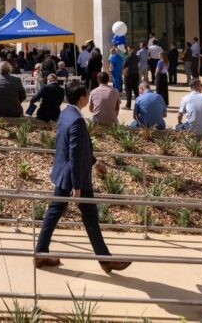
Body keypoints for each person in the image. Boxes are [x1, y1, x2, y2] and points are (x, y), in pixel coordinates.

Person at [33, 81, 130, 274]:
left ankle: (41, 253)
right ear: (81, 98)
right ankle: (104, 260)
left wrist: (95, 163)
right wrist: (77, 186)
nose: (88, 96)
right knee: (86, 217)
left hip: (65, 174)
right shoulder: (76, 120)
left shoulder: (66, 114)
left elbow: (78, 148)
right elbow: (75, 154)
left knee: (62, 214)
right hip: (74, 178)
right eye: (86, 94)